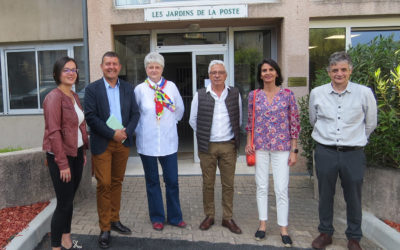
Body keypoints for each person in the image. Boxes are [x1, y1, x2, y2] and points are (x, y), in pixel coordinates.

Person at [309, 51, 377, 250]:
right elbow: (315, 119)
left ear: (350, 71)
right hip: (326, 151)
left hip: (353, 153)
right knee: (325, 194)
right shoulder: (317, 93)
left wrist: (355, 139)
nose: (339, 73)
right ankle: (325, 232)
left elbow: (370, 123)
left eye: (343, 70)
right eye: (335, 70)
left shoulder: (364, 93)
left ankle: (354, 237)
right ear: (329, 72)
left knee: (354, 197)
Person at [84, 51, 140, 249]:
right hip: (103, 143)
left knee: (117, 182)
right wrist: (112, 133)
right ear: (102, 66)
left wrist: (126, 133)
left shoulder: (127, 88)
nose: (111, 67)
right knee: (104, 184)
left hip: (122, 143)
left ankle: (115, 220)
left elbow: (135, 113)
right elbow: (90, 117)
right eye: (108, 64)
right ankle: (105, 227)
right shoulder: (92, 89)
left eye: (115, 64)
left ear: (119, 67)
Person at [245, 59, 300, 247]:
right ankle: (262, 225)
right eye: (264, 70)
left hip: (282, 147)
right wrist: (248, 143)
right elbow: (250, 122)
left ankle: (283, 229)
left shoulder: (287, 95)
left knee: (281, 188)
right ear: (260, 75)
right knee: (261, 186)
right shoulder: (254, 95)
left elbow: (294, 122)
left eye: (271, 70)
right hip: (259, 146)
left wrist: (294, 149)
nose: (267, 73)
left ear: (276, 73)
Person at [189, 60, 243, 234]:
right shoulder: (200, 94)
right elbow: (193, 120)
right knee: (208, 183)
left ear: (226, 75)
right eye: (213, 73)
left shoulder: (235, 94)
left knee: (228, 184)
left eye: (220, 72)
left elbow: (238, 118)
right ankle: (209, 215)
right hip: (208, 147)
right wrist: (205, 134)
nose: (217, 75)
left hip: (229, 146)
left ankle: (227, 218)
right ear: (209, 76)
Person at [134, 52, 186, 231]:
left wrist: (168, 124)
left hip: (168, 142)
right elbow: (135, 114)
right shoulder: (140, 89)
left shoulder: (170, 87)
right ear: (146, 69)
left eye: (157, 67)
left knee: (172, 181)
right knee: (152, 182)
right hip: (147, 142)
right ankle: (157, 217)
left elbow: (179, 109)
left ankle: (175, 216)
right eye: (150, 67)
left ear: (162, 69)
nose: (154, 70)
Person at [43, 56, 89, 250]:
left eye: (74, 70)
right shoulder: (53, 97)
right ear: (57, 74)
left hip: (76, 153)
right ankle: (55, 246)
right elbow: (53, 132)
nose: (71, 73)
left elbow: (78, 125)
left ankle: (67, 240)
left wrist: (83, 151)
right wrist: (62, 163)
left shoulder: (74, 95)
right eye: (66, 70)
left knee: (70, 201)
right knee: (63, 203)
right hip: (60, 157)